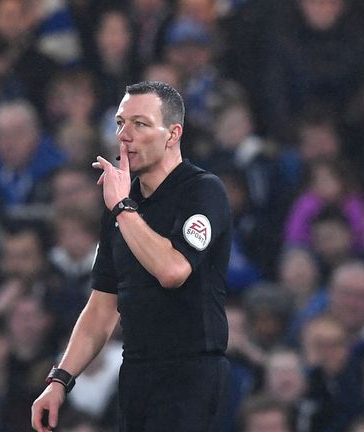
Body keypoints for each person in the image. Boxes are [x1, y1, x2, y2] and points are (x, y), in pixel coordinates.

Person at [31, 81, 232, 431]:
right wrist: (60, 380)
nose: (124, 135)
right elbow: (102, 307)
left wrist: (123, 208)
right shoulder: (122, 205)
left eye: (140, 124)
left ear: (173, 134)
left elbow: (172, 270)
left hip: (191, 375)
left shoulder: (202, 191)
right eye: (121, 123)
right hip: (136, 373)